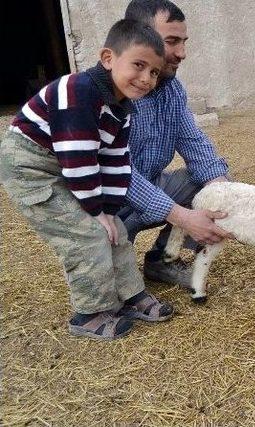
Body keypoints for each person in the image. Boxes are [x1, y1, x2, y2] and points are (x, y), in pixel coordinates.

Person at [0, 19, 173, 340]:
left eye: (153, 72)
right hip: (29, 166)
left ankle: (129, 296)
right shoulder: (77, 91)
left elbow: (115, 161)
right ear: (108, 58)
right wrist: (95, 212)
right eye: (139, 65)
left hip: (66, 163)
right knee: (87, 234)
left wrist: (108, 208)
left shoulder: (122, 109)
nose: (147, 78)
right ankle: (89, 313)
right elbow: (79, 160)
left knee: (116, 228)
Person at [119, 0, 234, 289]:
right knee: (114, 294)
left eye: (184, 42)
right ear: (140, 39)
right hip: (104, 208)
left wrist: (223, 193)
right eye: (172, 42)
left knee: (215, 186)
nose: (182, 53)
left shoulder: (172, 90)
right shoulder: (111, 94)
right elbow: (119, 174)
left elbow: (195, 144)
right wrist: (184, 217)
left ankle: (164, 259)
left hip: (147, 194)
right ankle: (112, 257)